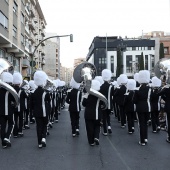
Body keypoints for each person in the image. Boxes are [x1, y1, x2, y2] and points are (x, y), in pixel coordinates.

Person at [32, 70, 51, 148]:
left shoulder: (33, 92)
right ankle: (43, 137)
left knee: (39, 126)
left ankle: (39, 143)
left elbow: (31, 104)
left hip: (37, 112)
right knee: (45, 125)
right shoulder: (46, 93)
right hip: (44, 111)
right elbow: (49, 102)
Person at [82, 80, 103, 146]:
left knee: (89, 128)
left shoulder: (87, 95)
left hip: (88, 114)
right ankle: (96, 137)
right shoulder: (100, 96)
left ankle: (91, 141)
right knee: (97, 125)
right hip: (97, 113)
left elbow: (83, 104)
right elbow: (103, 104)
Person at [135, 70, 152, 146]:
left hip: (139, 108)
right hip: (148, 107)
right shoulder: (150, 89)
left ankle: (142, 140)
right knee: (146, 123)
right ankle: (146, 138)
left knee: (141, 124)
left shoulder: (137, 89)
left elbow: (134, 100)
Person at [0, 72, 15, 148]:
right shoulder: (11, 91)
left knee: (2, 126)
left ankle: (3, 143)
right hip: (9, 110)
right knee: (11, 124)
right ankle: (7, 137)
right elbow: (15, 100)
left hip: (1, 111)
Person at [100, 69, 114, 135]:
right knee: (108, 116)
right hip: (110, 104)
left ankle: (105, 131)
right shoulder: (111, 86)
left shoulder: (101, 86)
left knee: (104, 117)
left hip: (103, 104)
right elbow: (113, 95)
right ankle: (109, 127)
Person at [13, 72, 27, 138]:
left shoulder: (12, 90)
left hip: (14, 107)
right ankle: (20, 131)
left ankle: (15, 133)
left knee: (15, 120)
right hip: (21, 107)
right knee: (21, 119)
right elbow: (26, 97)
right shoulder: (22, 90)